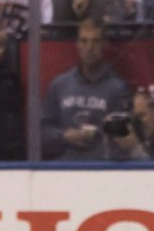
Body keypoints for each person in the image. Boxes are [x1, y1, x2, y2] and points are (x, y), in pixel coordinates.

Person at [40, 17, 130, 160]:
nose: (89, 48)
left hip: (102, 171)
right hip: (63, 172)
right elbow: (41, 133)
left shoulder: (117, 89)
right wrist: (63, 136)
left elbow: (125, 143)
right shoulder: (59, 85)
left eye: (95, 41)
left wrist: (105, 137)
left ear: (105, 44)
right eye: (84, 41)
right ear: (77, 44)